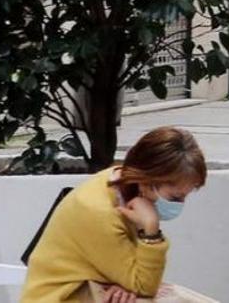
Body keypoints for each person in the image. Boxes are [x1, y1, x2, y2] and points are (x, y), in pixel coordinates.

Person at [22, 127, 207, 302]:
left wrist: (125, 282)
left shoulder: (120, 181)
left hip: (90, 288)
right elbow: (145, 287)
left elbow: (132, 276)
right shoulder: (100, 211)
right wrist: (151, 230)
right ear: (148, 180)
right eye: (175, 197)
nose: (180, 204)